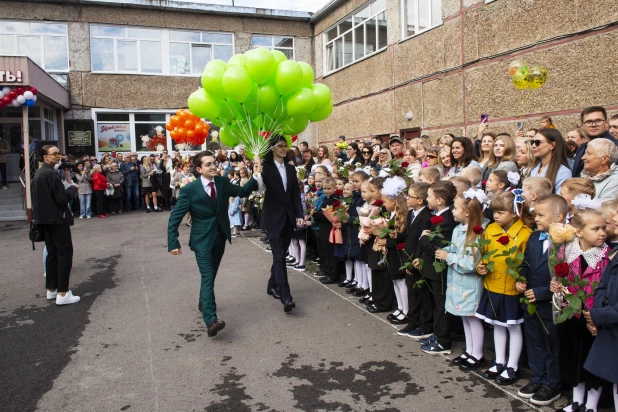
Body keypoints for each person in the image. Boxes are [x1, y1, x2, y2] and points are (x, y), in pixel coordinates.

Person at [168, 150, 259, 337]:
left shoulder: (223, 182)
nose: (213, 167)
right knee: (208, 275)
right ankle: (211, 320)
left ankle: (203, 301)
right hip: (201, 239)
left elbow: (242, 191)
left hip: (220, 237)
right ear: (199, 169)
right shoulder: (189, 190)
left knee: (211, 274)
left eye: (214, 163)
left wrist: (256, 174)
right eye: (208, 164)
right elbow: (175, 217)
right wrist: (173, 242)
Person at [550, 209, 610, 412]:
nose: (602, 232)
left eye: (604, 228)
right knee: (573, 358)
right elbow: (559, 279)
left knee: (592, 363)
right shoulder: (565, 252)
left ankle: (591, 406)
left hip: (593, 319)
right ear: (579, 232)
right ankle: (576, 401)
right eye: (596, 229)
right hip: (571, 314)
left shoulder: (608, 257)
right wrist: (556, 285)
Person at [515, 195, 568, 406]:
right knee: (534, 340)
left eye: (541, 215)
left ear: (559, 216)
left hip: (550, 303)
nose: (536, 218)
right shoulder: (535, 238)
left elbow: (566, 276)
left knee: (551, 343)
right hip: (529, 300)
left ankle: (552, 383)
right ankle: (537, 377)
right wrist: (520, 278)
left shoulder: (566, 241)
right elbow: (526, 263)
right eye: (535, 214)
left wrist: (543, 292)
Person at [476, 191, 533, 386]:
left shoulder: (525, 234)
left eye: (500, 212)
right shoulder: (491, 229)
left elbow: (527, 263)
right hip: (492, 284)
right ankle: (499, 360)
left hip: (511, 288)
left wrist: (522, 279)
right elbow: (484, 253)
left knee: (513, 326)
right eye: (494, 212)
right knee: (497, 324)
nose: (496, 216)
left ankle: (513, 365)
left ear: (515, 212)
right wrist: (481, 266)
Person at [254, 135, 305, 313]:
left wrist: (300, 214)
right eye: (280, 146)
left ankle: (271, 284)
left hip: (288, 218)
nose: (284, 149)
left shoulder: (291, 169)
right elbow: (258, 190)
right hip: (272, 218)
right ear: (272, 149)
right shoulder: (265, 168)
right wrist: (257, 172)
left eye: (285, 146)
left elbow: (294, 194)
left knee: (281, 254)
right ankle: (285, 296)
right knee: (279, 256)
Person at [440, 189, 488, 371]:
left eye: (455, 208)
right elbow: (454, 248)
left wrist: (448, 257)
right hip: (457, 283)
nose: (452, 211)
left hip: (470, 284)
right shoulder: (458, 229)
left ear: (467, 212)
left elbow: (471, 262)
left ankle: (478, 354)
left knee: (473, 319)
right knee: (465, 319)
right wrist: (444, 250)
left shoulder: (477, 232)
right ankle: (470, 351)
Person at [412, 181, 458, 354]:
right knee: (436, 304)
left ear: (439, 200)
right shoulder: (440, 215)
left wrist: (424, 239)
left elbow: (437, 247)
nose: (426, 199)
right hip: (431, 267)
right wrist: (422, 258)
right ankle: (438, 334)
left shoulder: (446, 220)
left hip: (439, 269)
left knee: (441, 305)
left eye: (429, 196)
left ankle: (443, 341)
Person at [32, 145, 80, 305]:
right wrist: (73, 189)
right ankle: (63, 292)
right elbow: (61, 199)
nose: (58, 156)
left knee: (52, 254)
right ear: (45, 157)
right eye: (55, 154)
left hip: (44, 220)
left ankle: (52, 290)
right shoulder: (50, 174)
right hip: (57, 220)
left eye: (59, 153)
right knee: (64, 254)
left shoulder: (39, 174)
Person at [397, 182, 433, 339]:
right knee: (412, 292)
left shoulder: (426, 217)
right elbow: (408, 235)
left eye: (410, 196)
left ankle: (425, 324)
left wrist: (414, 260)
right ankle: (413, 319)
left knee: (422, 293)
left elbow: (421, 241)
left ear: (420, 200)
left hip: (417, 259)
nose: (406, 198)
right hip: (408, 257)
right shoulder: (412, 213)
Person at [379, 176, 409, 325]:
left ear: (394, 201)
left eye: (385, 201)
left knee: (401, 281)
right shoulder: (390, 214)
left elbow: (402, 236)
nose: (384, 204)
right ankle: (400, 306)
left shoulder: (401, 216)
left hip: (398, 253)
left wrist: (388, 240)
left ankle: (406, 310)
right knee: (395, 281)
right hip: (392, 252)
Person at [573, 106, 618, 177]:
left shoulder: (614, 147)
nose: (593, 125)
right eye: (588, 122)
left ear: (606, 123)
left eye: (598, 121)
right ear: (582, 126)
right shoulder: (582, 147)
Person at [529, 128, 572, 193]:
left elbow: (560, 200)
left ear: (552, 145)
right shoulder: (533, 169)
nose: (533, 146)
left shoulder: (563, 172)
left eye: (537, 142)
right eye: (532, 142)